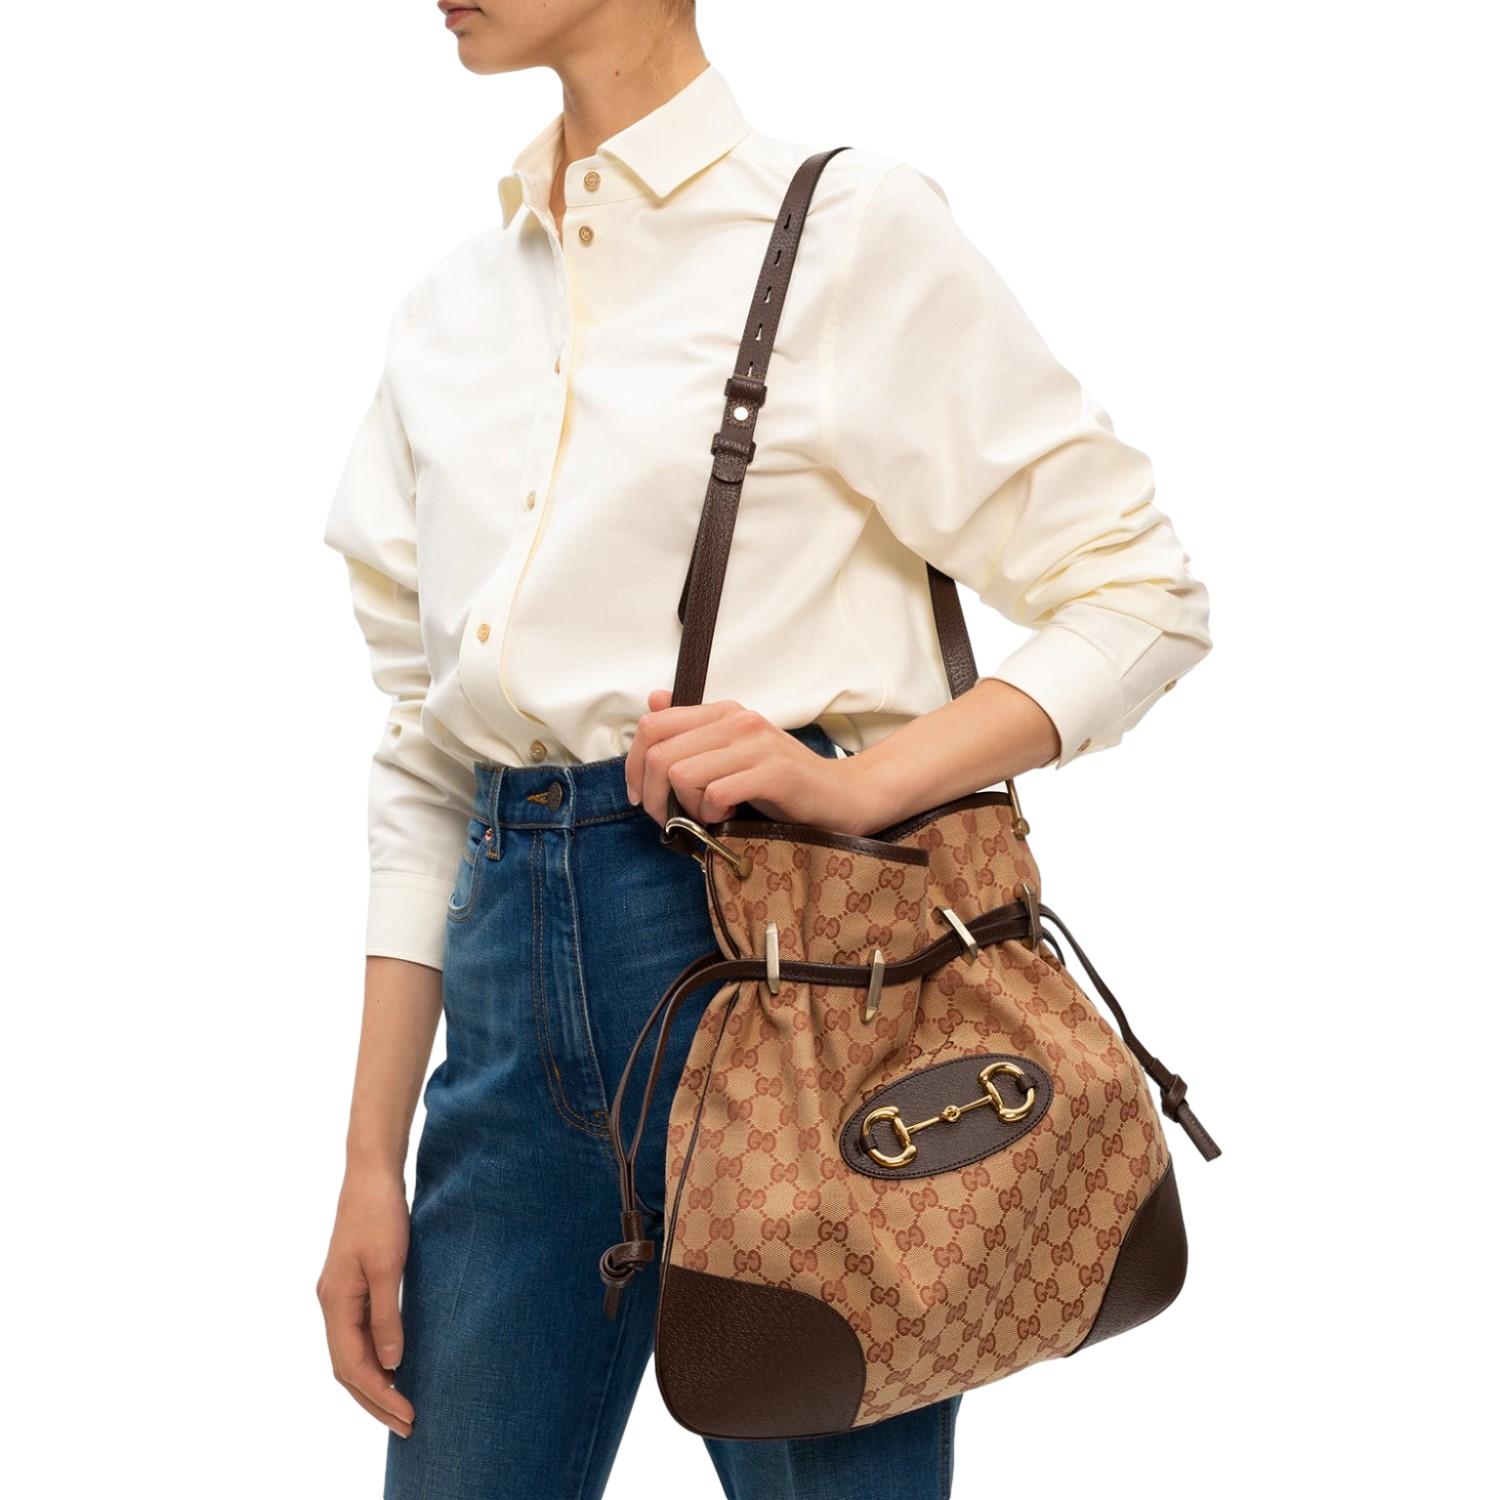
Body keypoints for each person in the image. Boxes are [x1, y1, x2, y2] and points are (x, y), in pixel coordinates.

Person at [316, 2, 1212, 1497]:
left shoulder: (847, 233)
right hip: (505, 1008)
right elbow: (424, 751)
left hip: (801, 987)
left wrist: (864, 783)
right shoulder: (452, 310)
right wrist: (367, 1160)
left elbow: (1137, 592)